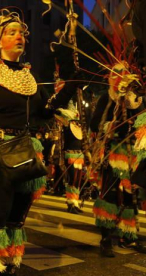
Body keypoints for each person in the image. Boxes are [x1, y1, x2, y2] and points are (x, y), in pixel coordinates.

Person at [0, 8, 78, 275]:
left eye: (21, 33)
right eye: (12, 32)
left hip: (26, 149)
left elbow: (44, 112)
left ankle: (7, 255)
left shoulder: (29, 77)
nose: (20, 37)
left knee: (18, 212)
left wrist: (70, 86)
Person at [90, 62, 146, 257]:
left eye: (126, 73)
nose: (122, 77)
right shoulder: (108, 97)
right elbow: (94, 123)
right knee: (110, 194)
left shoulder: (137, 99)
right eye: (118, 73)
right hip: (112, 153)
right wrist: (110, 126)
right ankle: (105, 238)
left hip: (131, 154)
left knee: (131, 196)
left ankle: (128, 236)